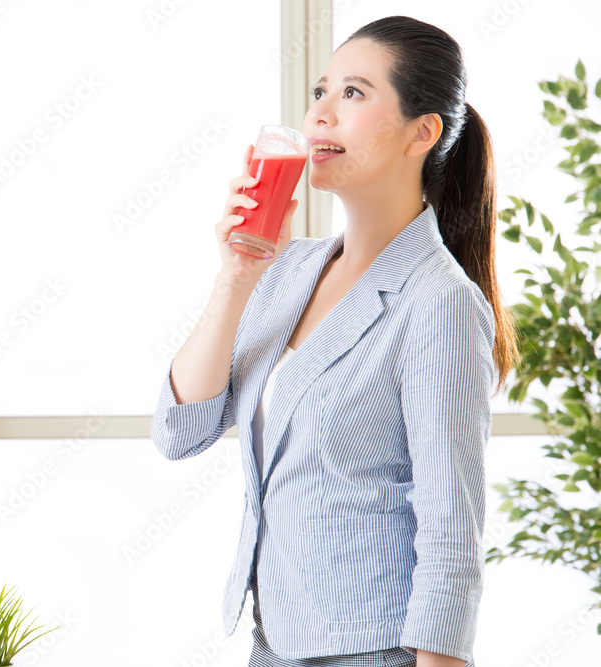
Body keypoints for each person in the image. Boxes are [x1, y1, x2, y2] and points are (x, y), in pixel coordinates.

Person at [150, 15, 520, 667]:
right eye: (319, 91)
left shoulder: (440, 302)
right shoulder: (289, 269)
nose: (321, 113)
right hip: (274, 642)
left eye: (352, 93)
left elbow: (451, 536)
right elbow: (181, 432)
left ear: (422, 132)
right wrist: (235, 279)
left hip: (374, 650)